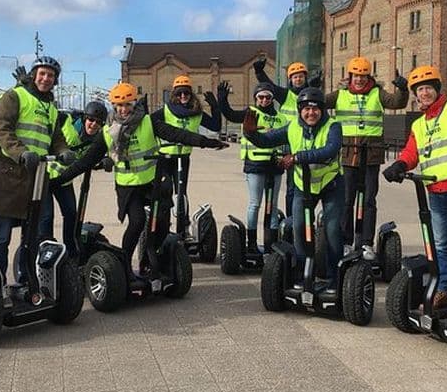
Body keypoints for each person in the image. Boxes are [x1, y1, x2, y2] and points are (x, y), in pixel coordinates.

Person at [55, 82, 227, 277]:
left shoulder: (148, 122)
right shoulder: (108, 131)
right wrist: (59, 180)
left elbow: (178, 134)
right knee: (137, 222)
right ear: (114, 107)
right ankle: (125, 265)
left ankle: (150, 257)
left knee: (162, 223)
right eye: (119, 106)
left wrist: (208, 143)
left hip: (151, 183)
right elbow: (85, 162)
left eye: (127, 105)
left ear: (133, 103)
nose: (123, 110)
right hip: (128, 187)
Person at [382, 66, 447, 310]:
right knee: (441, 246)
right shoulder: (419, 124)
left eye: (428, 88)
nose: (425, 93)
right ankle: (444, 289)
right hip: (436, 192)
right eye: (420, 90)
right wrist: (399, 164)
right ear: (416, 95)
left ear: (437, 89)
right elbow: (412, 153)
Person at [0, 55, 71, 282]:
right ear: (33, 75)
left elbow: (55, 137)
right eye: (42, 74)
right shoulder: (15, 96)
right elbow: (2, 128)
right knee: (2, 234)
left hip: (36, 176)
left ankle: (26, 278)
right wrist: (21, 152)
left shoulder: (50, 106)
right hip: (8, 175)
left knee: (32, 234)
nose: (46, 78)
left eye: (51, 75)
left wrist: (63, 150)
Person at [242, 87, 344, 291]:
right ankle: (301, 275)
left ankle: (335, 279)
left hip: (330, 184)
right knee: (299, 229)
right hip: (302, 186)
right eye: (306, 109)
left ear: (322, 110)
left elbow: (330, 150)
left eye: (315, 109)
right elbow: (266, 141)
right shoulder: (293, 128)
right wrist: (250, 133)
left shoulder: (333, 127)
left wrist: (297, 158)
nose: (311, 113)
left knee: (332, 230)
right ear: (300, 110)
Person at [322, 56, 408, 260]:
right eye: (356, 76)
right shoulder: (340, 94)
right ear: (350, 76)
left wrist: (403, 90)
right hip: (348, 153)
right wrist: (313, 88)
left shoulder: (377, 93)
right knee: (346, 200)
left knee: (369, 199)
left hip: (371, 153)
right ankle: (345, 242)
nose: (359, 80)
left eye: (363, 76)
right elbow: (318, 102)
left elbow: (396, 102)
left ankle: (366, 243)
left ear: (368, 76)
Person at [217, 80, 286, 252]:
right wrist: (223, 101)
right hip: (255, 164)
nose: (264, 100)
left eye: (267, 97)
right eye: (260, 97)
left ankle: (271, 245)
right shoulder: (250, 113)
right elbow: (231, 115)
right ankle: (252, 243)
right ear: (256, 99)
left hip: (275, 164)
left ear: (272, 99)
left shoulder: (281, 117)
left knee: (273, 204)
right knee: (255, 204)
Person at [151, 75, 221, 235]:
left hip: (183, 158)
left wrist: (215, 107)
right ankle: (164, 228)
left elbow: (215, 126)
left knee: (181, 193)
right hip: (165, 158)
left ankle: (183, 228)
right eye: (180, 93)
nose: (183, 97)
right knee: (165, 192)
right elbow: (149, 125)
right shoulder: (166, 110)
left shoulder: (196, 112)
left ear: (191, 94)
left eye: (187, 93)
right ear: (174, 95)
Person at [254, 58, 322, 216]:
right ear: (290, 79)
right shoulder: (285, 95)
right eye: (295, 76)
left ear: (305, 78)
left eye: (301, 76)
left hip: (307, 142)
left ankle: (304, 217)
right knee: (292, 186)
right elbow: (269, 85)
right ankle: (291, 220)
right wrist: (259, 72)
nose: (298, 79)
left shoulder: (310, 93)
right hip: (289, 143)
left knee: (306, 183)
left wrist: (315, 86)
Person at [40, 100, 108, 257]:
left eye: (98, 122)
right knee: (46, 216)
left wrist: (103, 160)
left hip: (64, 181)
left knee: (71, 214)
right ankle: (46, 250)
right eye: (91, 120)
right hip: (46, 178)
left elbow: (92, 156)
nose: (93, 125)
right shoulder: (66, 122)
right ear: (85, 118)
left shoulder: (97, 140)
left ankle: (70, 251)